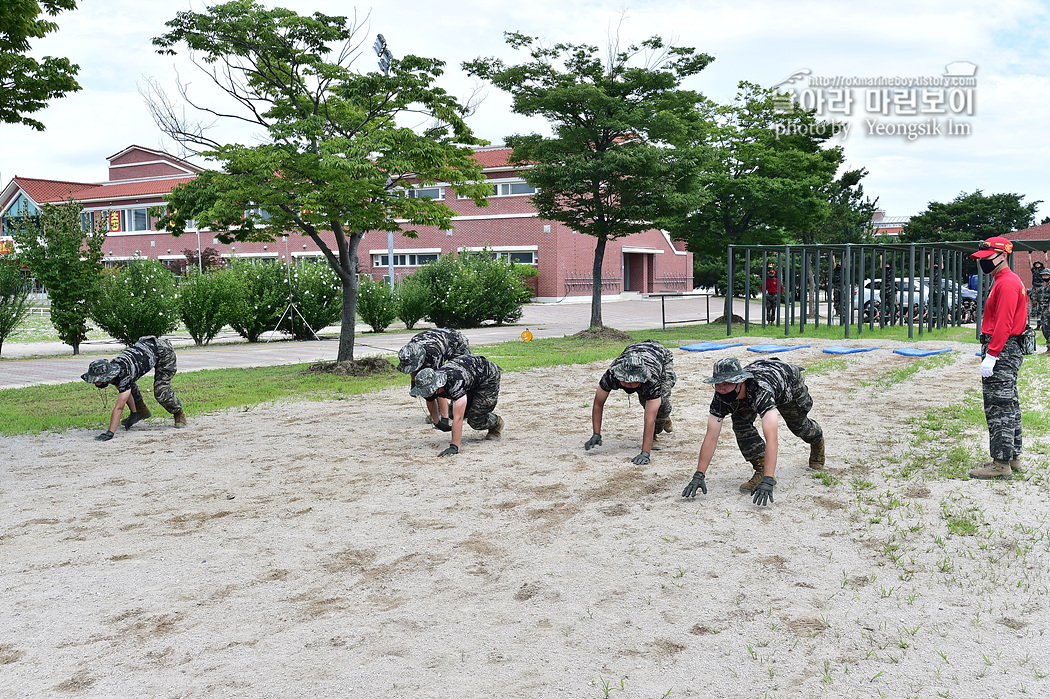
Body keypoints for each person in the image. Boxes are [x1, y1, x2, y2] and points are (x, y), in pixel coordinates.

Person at [681, 356, 824, 507]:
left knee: (799, 426)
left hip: (788, 380)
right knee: (740, 424)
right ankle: (761, 468)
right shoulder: (722, 396)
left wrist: (769, 480)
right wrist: (699, 474)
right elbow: (711, 436)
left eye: (727, 383)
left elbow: (772, 438)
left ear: (740, 382)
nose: (721, 389)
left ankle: (817, 441)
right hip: (752, 386)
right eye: (717, 384)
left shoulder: (761, 391)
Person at [968, 236, 1027, 479]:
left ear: (1003, 256)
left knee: (999, 406)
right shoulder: (1005, 280)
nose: (983, 263)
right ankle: (1012, 457)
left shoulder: (1006, 283)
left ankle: (1000, 464)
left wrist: (992, 355)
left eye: (987, 258)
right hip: (1006, 348)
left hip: (1002, 349)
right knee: (1009, 403)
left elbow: (1004, 323)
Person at [584, 340, 676, 465]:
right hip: (634, 349)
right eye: (625, 380)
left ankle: (659, 426)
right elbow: (598, 404)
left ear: (642, 377)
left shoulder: (651, 379)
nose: (629, 385)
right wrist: (596, 433)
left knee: (661, 405)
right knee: (648, 400)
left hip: (661, 357)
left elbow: (649, 418)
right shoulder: (612, 374)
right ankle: (660, 417)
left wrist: (645, 453)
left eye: (634, 381)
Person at [80, 335, 186, 441]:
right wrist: (133, 413)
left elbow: (119, 407)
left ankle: (178, 412)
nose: (94, 382)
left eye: (95, 380)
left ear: (104, 378)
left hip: (164, 352)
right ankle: (141, 411)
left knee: (161, 391)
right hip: (147, 347)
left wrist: (110, 433)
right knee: (130, 387)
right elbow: (126, 392)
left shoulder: (122, 375)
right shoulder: (112, 371)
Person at [409, 354, 503, 456]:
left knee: (475, 419)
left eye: (427, 391)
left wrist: (454, 446)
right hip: (470, 377)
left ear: (435, 387)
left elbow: (459, 418)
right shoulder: (433, 382)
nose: (425, 394)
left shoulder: (455, 383)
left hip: (487, 377)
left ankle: (496, 423)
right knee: (452, 413)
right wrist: (437, 422)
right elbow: (430, 399)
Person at [397, 328, 472, 432]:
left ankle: (464, 408)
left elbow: (439, 382)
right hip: (437, 341)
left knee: (459, 377)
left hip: (457, 343)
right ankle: (441, 412)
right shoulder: (410, 350)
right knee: (427, 385)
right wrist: (414, 382)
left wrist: (444, 420)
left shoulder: (433, 353)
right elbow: (412, 367)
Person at [1040, 267, 1050, 351]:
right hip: (1045, 309)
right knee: (1044, 328)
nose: (1045, 277)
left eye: (1046, 275)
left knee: (1047, 328)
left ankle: (1049, 348)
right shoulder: (1047, 286)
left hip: (1048, 310)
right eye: (1043, 275)